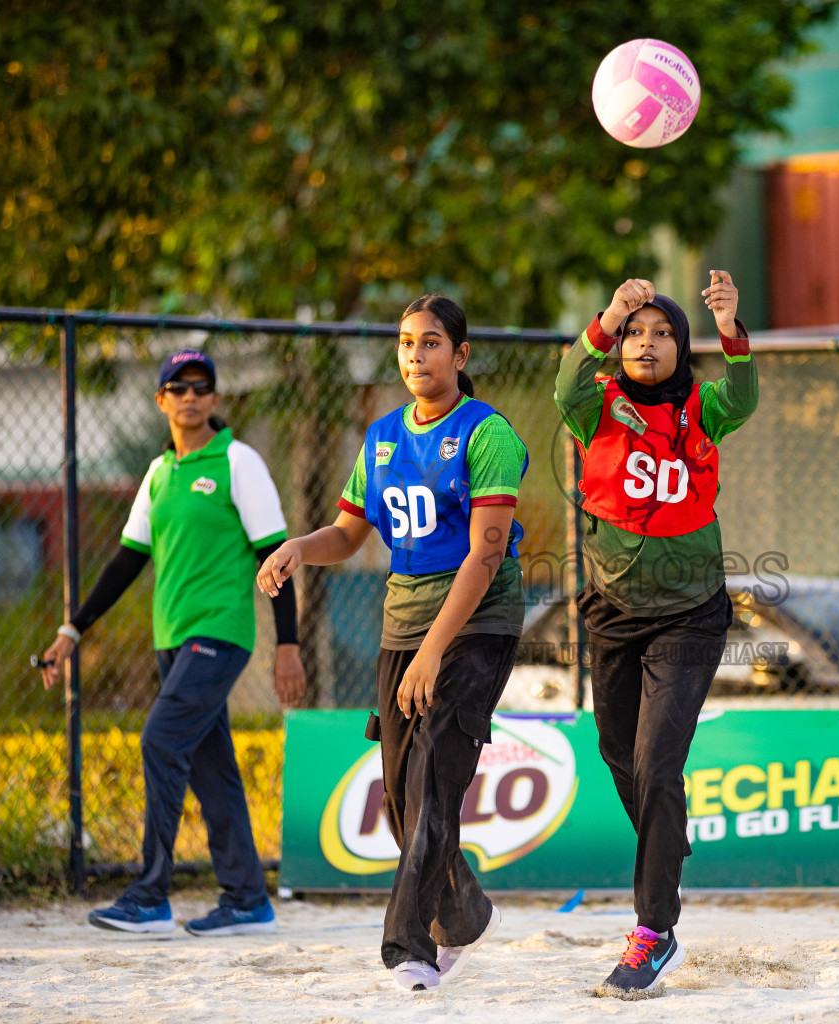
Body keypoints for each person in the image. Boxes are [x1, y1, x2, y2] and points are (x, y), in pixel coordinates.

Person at [256, 294, 528, 994]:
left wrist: (438, 651)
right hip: (403, 625)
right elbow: (349, 534)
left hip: (476, 625)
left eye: (431, 343)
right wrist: (297, 547)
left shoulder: (486, 434)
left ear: (460, 356)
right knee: (406, 801)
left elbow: (484, 558)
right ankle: (462, 913)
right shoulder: (380, 437)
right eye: (406, 343)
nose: (416, 355)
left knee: (434, 779)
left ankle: (407, 947)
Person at [39, 349, 304, 936]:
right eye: (177, 387)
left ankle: (150, 894)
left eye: (200, 387)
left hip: (221, 633)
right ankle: (246, 900)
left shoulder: (239, 462)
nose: (189, 396)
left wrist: (289, 644)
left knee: (160, 739)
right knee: (213, 769)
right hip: (172, 641)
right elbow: (126, 562)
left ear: (213, 399)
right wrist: (71, 630)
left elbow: (277, 558)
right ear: (161, 400)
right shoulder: (160, 474)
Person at [554, 271, 756, 996]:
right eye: (634, 332)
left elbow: (747, 393)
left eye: (661, 331)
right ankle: (667, 841)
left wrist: (731, 327)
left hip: (691, 614)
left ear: (682, 347)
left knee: (656, 762)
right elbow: (565, 384)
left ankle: (653, 931)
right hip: (612, 610)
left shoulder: (704, 408)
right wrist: (606, 313)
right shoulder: (596, 408)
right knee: (619, 754)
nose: (646, 341)